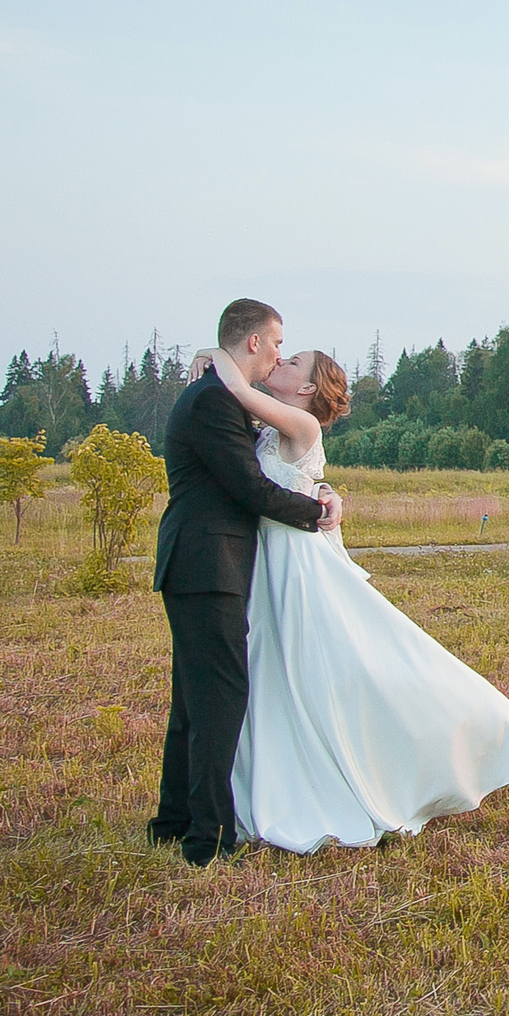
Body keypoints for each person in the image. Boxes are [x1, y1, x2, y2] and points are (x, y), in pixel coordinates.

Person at [189, 340, 509, 854]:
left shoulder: (301, 424)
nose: (281, 360)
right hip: (265, 563)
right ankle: (278, 779)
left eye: (292, 361)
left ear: (307, 388)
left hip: (297, 564)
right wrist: (325, 491)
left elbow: (238, 389)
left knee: (331, 667)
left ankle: (455, 737)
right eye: (281, 352)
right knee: (276, 676)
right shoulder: (271, 428)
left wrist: (215, 353)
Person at [151, 297, 344, 867]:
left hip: (209, 564)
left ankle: (174, 821)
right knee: (218, 698)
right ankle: (207, 838)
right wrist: (317, 511)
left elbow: (281, 465)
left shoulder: (221, 394)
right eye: (278, 343)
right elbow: (248, 487)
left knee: (195, 700)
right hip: (207, 564)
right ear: (255, 342)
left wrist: (322, 491)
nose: (280, 354)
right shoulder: (215, 399)